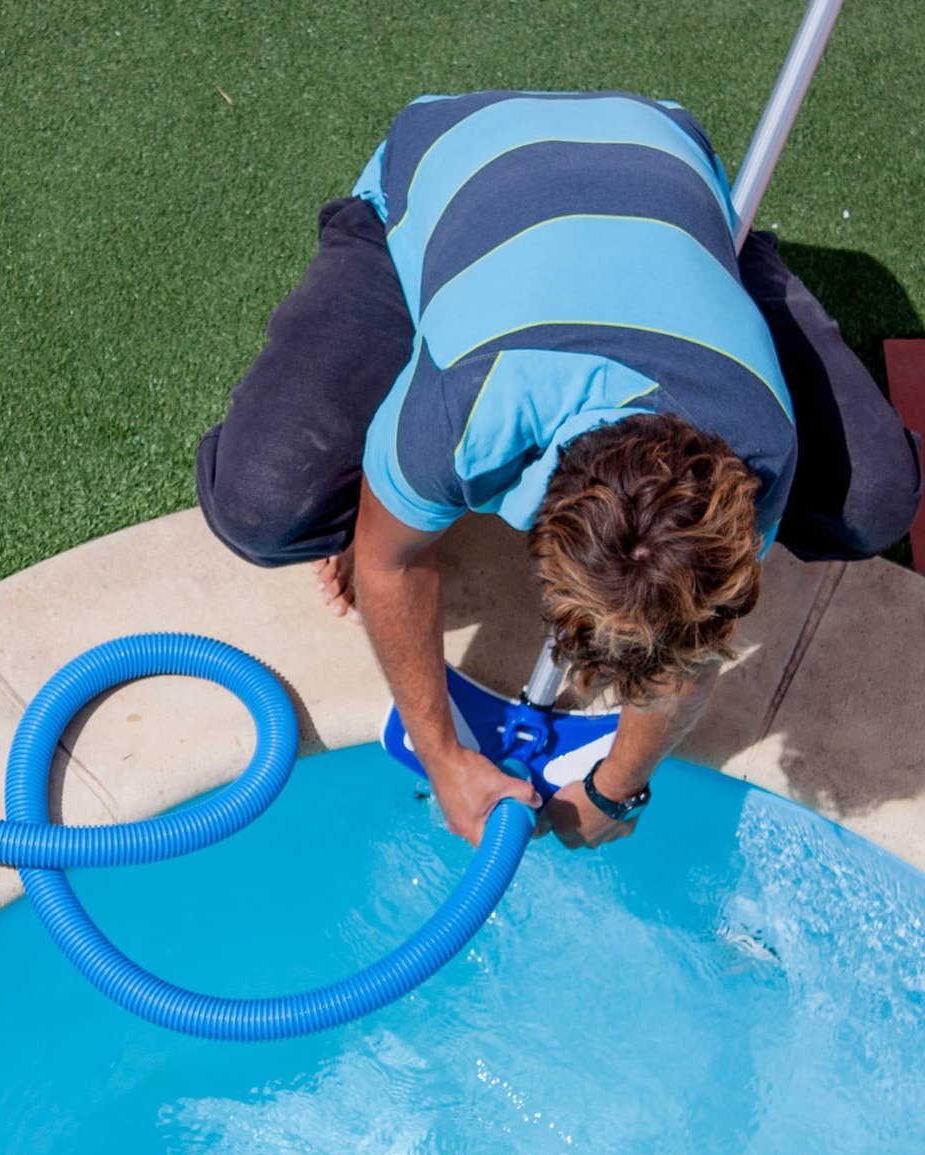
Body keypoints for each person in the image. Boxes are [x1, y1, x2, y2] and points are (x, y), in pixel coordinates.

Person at [196, 90, 922, 850]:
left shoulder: (756, 448)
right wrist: (443, 758)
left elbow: (694, 646)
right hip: (456, 157)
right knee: (265, 503)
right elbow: (388, 561)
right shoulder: (475, 408)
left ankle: (725, 256)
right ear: (540, 520)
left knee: (871, 501)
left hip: (657, 151)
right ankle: (436, 281)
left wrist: (618, 787)